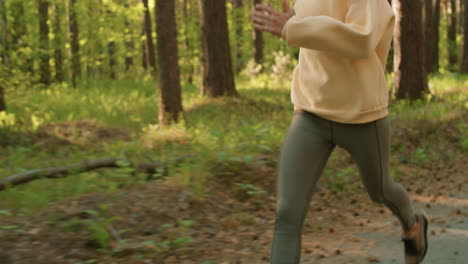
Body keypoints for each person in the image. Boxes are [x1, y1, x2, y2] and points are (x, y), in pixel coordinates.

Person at [251, 0, 429, 263]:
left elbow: (362, 40)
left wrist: (294, 28)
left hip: (362, 115)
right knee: (287, 214)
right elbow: (309, 29)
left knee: (380, 191)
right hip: (310, 112)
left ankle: (413, 226)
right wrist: (294, 22)